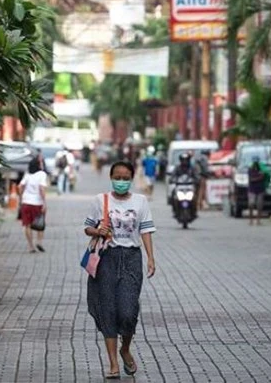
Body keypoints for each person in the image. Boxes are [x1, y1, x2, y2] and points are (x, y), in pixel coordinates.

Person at [84, 161, 156, 379]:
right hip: (106, 258)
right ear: (111, 177)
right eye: (117, 177)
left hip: (132, 258)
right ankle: (113, 363)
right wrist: (97, 230)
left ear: (131, 179)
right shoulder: (100, 200)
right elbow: (87, 227)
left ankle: (125, 349)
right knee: (108, 309)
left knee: (127, 311)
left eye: (125, 178)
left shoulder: (140, 201)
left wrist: (150, 258)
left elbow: (145, 230)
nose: (121, 181)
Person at [19, 160, 48, 253]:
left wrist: (21, 197)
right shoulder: (42, 174)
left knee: (27, 225)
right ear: (38, 165)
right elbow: (41, 188)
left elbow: (20, 186)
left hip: (26, 203)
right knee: (40, 223)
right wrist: (44, 202)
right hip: (37, 203)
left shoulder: (27, 174)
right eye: (41, 163)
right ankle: (39, 242)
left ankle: (31, 246)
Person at [248, 156, 267, 225]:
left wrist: (262, 176)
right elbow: (251, 179)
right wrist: (260, 177)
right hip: (252, 190)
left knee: (259, 205)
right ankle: (251, 220)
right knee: (251, 204)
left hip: (260, 189)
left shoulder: (262, 169)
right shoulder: (250, 169)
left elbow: (266, 176)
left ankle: (258, 220)